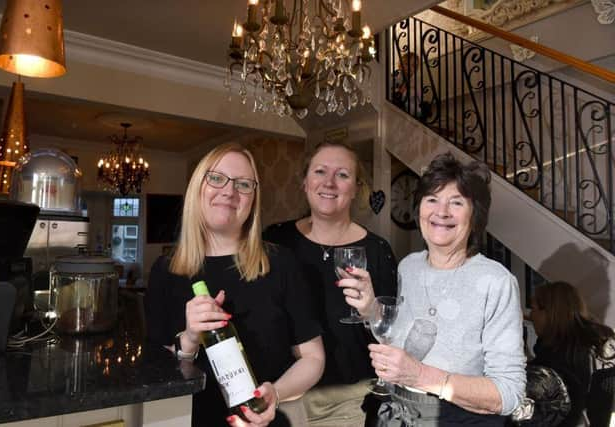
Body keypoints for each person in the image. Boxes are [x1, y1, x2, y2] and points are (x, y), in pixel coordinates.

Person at [145, 143, 325, 427]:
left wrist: (275, 394)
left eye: (243, 184)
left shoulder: (280, 263)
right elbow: (154, 377)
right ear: (197, 189)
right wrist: (190, 339)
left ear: (253, 199)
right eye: (216, 179)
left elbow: (313, 358)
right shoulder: (165, 271)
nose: (229, 192)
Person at [367, 152, 526, 426]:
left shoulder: (496, 282)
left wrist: (420, 375)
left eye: (456, 202)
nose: (441, 212)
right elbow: (400, 341)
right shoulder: (408, 267)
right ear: (419, 210)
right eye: (432, 200)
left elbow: (509, 393)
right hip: (398, 411)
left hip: (459, 418)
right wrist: (369, 307)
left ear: (475, 216)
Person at [264, 141, 397, 426]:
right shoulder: (275, 241)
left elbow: (393, 335)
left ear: (356, 189)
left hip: (347, 398)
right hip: (279, 391)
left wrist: (371, 310)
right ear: (305, 182)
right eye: (320, 171)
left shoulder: (377, 250)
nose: (329, 182)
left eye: (342, 175)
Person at [529, 281, 615, 426]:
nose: (531, 315)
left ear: (549, 312)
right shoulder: (603, 343)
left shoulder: (555, 356)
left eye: (534, 308)